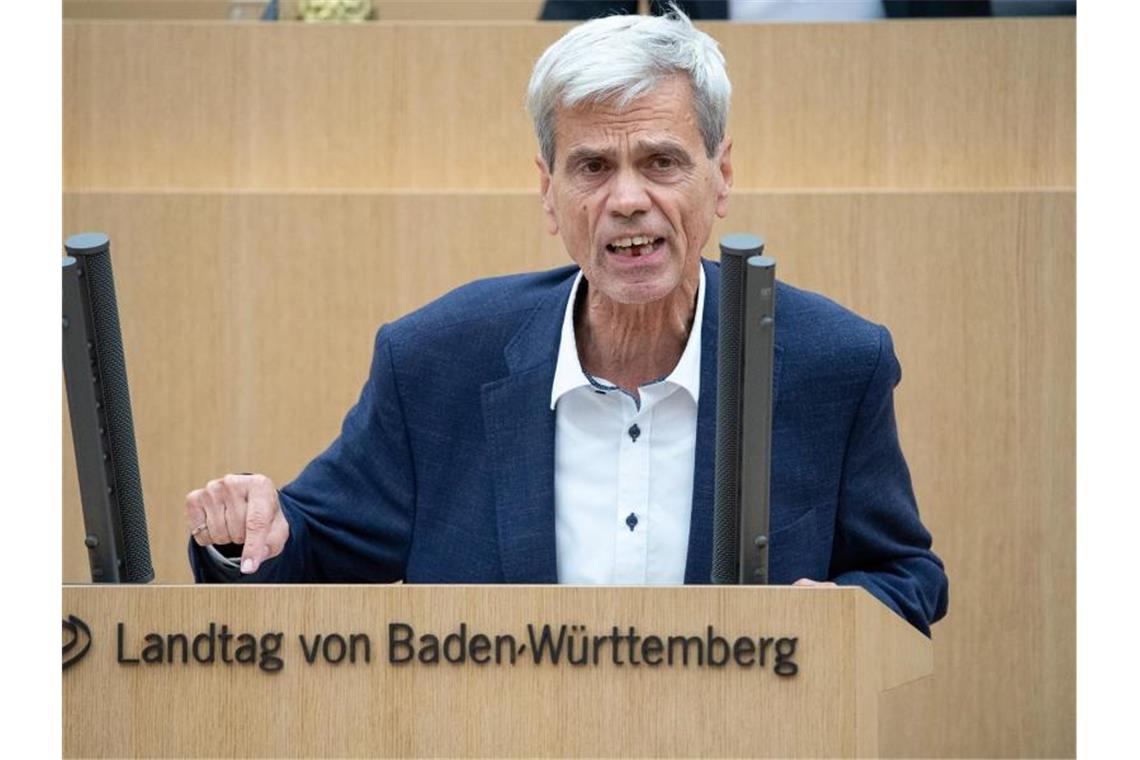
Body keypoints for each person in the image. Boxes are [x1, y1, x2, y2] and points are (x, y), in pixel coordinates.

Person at [186, 6, 948, 635]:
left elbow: (906, 575)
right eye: (592, 167)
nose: (626, 199)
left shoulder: (832, 362)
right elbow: (311, 553)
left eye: (661, 162)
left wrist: (846, 618)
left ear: (721, 179)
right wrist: (250, 531)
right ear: (548, 193)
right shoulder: (437, 359)